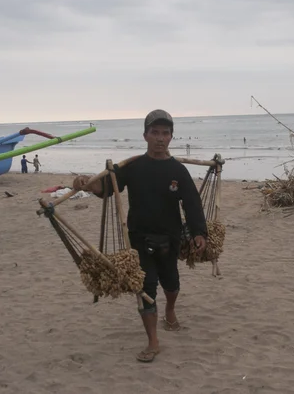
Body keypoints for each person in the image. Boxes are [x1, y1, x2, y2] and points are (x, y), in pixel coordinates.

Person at [73, 109, 207, 363]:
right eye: (154, 132)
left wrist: (199, 232)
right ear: (145, 135)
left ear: (171, 137)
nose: (160, 138)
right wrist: (87, 183)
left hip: (171, 239)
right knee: (145, 289)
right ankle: (153, 342)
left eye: (165, 133)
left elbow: (192, 203)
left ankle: (170, 309)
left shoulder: (178, 171)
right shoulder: (133, 167)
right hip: (139, 239)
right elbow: (107, 188)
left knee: (172, 284)